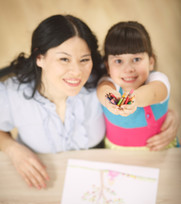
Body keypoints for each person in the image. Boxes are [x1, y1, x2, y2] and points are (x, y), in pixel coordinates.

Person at [0, 16, 179, 190]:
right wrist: (13, 150)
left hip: (101, 182)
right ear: (40, 58)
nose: (77, 72)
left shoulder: (102, 80)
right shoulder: (10, 93)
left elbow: (145, 89)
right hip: (37, 184)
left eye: (84, 60)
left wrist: (169, 115)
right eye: (64, 59)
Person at [97, 21, 180, 150]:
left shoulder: (159, 80)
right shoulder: (108, 82)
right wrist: (111, 99)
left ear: (151, 62)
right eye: (118, 61)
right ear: (107, 66)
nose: (128, 69)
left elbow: (153, 92)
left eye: (136, 59)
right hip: (117, 156)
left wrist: (133, 100)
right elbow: (103, 90)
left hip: (159, 153)